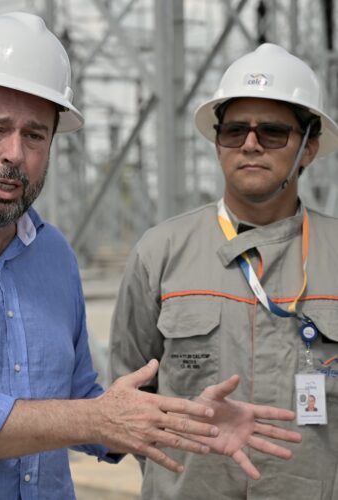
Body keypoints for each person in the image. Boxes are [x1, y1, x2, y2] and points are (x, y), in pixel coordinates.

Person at [0, 14, 300, 498]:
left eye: (35, 135)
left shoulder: (51, 253)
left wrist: (184, 418)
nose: (15, 153)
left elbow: (80, 398)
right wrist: (97, 418)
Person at [109, 42, 338, 500]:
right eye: (235, 131)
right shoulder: (161, 252)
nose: (250, 144)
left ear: (309, 147)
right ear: (217, 143)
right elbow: (125, 402)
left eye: (273, 133)